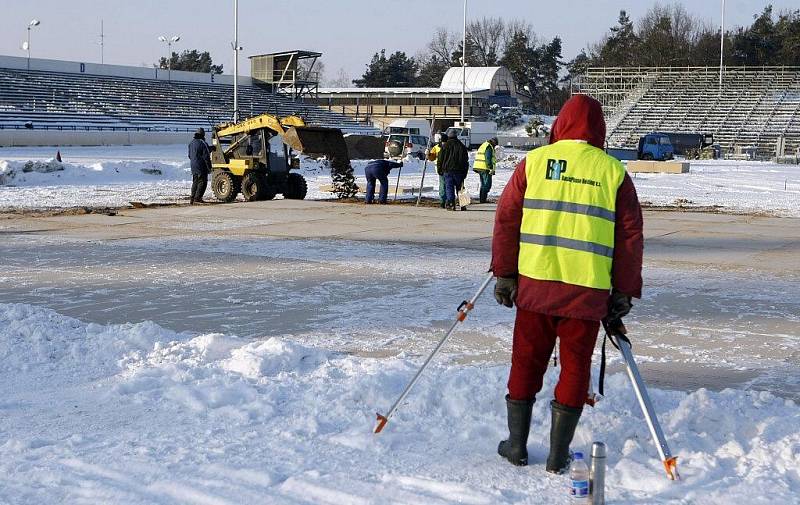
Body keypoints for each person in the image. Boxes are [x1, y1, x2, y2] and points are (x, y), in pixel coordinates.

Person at [491, 95, 643, 473]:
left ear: (559, 124)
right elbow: (629, 236)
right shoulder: (613, 172)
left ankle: (517, 445)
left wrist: (505, 273)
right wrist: (623, 290)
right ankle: (558, 455)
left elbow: (507, 219)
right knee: (575, 368)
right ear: (599, 129)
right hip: (586, 294)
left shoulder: (534, 163)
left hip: (536, 287)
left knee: (526, 362)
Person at [437, 129, 469, 210]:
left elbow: (440, 159)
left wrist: (439, 170)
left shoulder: (445, 146)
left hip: (448, 170)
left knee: (449, 188)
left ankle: (451, 204)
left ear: (448, 135)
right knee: (461, 187)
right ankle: (463, 204)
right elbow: (465, 161)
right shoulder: (462, 146)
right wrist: (465, 172)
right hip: (459, 171)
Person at [188, 127, 212, 204]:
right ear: (203, 134)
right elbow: (206, 156)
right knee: (202, 182)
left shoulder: (191, 143)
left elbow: (189, 155)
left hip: (193, 165)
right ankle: (198, 198)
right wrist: (209, 167)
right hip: (201, 166)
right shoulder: (203, 142)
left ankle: (192, 198)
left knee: (195, 182)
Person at [473, 137, 499, 204]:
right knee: (487, 184)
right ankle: (483, 199)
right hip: (485, 168)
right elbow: (488, 158)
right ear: (493, 142)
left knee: (483, 184)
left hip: (479, 167)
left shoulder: (484, 144)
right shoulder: (489, 147)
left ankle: (482, 199)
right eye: (495, 145)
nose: (495, 146)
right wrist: (490, 168)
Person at [427, 132, 447, 208]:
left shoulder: (449, 147)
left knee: (446, 186)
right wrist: (428, 154)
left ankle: (448, 200)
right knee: (443, 186)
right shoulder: (436, 147)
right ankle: (443, 201)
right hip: (440, 169)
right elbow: (432, 158)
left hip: (448, 169)